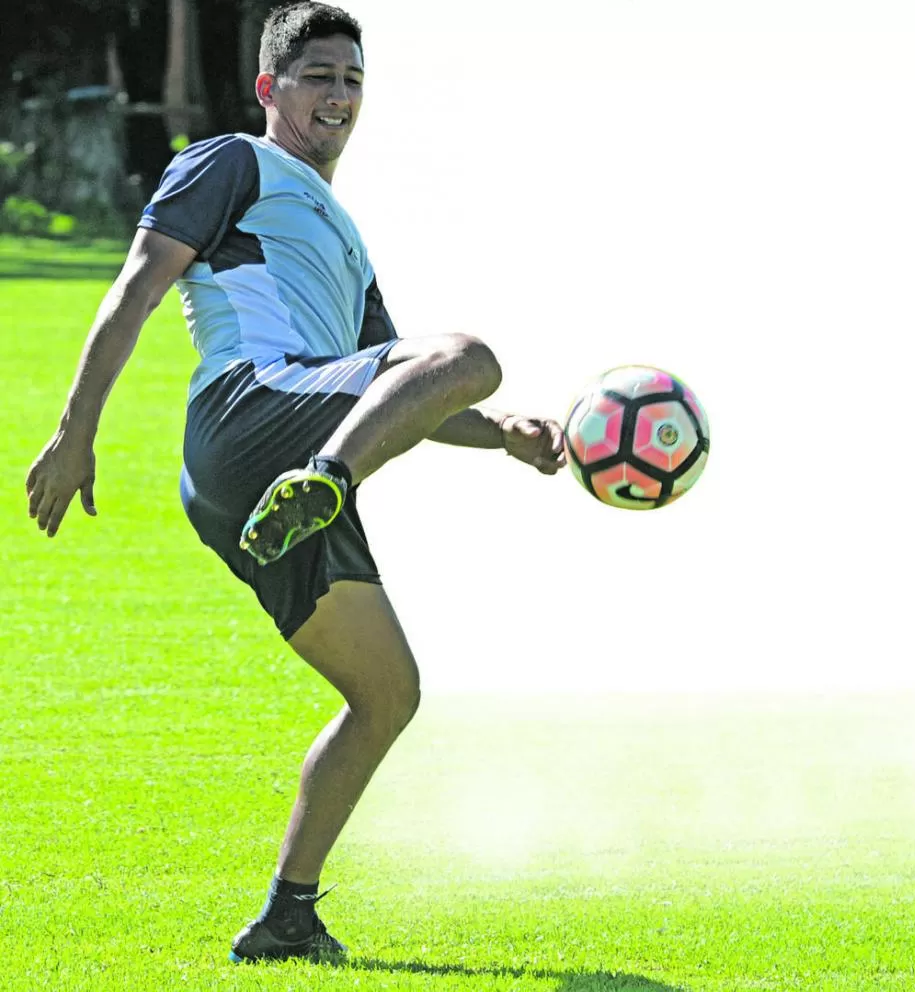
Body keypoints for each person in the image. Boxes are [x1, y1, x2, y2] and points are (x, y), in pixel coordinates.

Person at [25, 0, 565, 966]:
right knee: (471, 350)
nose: (340, 95)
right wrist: (76, 433)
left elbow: (400, 393)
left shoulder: (348, 243)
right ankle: (323, 481)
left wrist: (507, 437)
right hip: (250, 415)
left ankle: (287, 917)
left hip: (283, 463)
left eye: (353, 80)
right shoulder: (232, 162)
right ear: (270, 87)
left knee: (387, 692)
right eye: (318, 75)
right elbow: (137, 286)